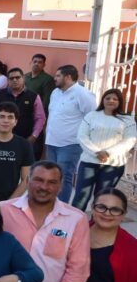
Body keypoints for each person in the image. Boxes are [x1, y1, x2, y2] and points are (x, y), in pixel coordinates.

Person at [73, 88, 136, 211]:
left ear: (120, 101)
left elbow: (130, 140)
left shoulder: (127, 120)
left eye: (115, 99)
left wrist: (108, 153)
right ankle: (75, 227)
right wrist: (96, 152)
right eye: (108, 98)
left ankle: (97, 227)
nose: (111, 101)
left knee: (102, 199)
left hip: (113, 165)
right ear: (103, 100)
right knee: (81, 197)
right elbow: (82, 136)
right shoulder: (91, 116)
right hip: (89, 163)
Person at [45, 65, 98, 202]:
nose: (54, 78)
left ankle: (61, 209)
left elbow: (92, 118)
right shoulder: (55, 93)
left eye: (58, 76)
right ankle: (50, 204)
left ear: (68, 77)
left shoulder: (83, 94)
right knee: (51, 176)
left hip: (70, 144)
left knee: (63, 177)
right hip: (52, 142)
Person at [0, 67, 46, 143]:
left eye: (17, 77)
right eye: (11, 78)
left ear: (23, 78)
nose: (14, 80)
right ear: (8, 81)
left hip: (25, 138)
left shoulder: (33, 96)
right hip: (2, 136)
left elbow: (40, 118)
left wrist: (34, 135)